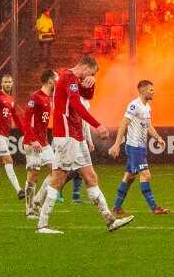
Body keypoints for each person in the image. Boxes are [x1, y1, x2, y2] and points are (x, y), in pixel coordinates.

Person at [34, 55, 133, 234]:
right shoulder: (68, 77)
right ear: (85, 67)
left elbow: (88, 95)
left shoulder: (70, 78)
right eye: (92, 72)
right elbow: (77, 105)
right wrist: (98, 125)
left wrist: (92, 81)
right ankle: (42, 223)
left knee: (91, 177)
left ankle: (110, 221)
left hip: (76, 136)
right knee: (58, 177)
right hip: (66, 135)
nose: (88, 76)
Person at [108, 80, 170, 216]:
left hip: (140, 147)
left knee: (129, 177)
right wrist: (117, 145)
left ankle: (116, 207)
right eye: (151, 90)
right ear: (143, 91)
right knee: (145, 175)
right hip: (134, 147)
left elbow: (148, 126)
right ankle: (154, 208)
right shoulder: (134, 105)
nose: (153, 92)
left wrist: (158, 138)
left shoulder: (147, 107)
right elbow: (123, 124)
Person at [22, 69, 58, 219]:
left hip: (44, 143)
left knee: (56, 172)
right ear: (50, 80)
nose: (58, 81)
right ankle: (29, 210)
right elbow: (26, 119)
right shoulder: (36, 97)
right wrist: (33, 139)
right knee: (33, 175)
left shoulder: (49, 98)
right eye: (57, 78)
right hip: (33, 143)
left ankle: (37, 200)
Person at [0, 74, 24, 200]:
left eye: (9, 82)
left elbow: (15, 117)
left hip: (5, 135)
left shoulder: (11, 99)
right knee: (9, 160)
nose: (8, 84)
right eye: (5, 82)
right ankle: (19, 190)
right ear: (2, 84)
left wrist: (24, 131)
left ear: (12, 83)